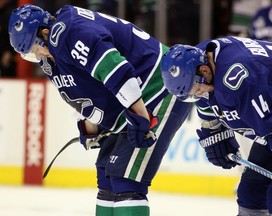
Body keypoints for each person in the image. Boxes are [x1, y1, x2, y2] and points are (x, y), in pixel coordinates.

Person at [8, 4, 193, 216]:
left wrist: (141, 118)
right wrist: (92, 127)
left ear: (45, 33)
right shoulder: (53, 53)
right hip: (130, 101)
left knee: (126, 180)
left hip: (158, 89)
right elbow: (88, 89)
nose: (37, 56)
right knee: (106, 176)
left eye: (34, 49)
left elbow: (117, 71)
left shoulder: (71, 31)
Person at [161, 37, 272, 215]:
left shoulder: (239, 80)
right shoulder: (198, 58)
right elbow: (205, 99)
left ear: (204, 71)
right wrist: (213, 129)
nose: (198, 95)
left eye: (197, 90)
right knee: (251, 190)